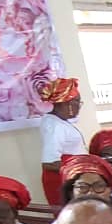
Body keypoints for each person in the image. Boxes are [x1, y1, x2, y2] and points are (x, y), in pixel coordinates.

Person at [38, 77, 86, 205]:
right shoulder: (54, 126)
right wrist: (81, 172)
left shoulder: (58, 122)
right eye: (77, 102)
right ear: (66, 102)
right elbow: (49, 163)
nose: (79, 106)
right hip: (63, 182)